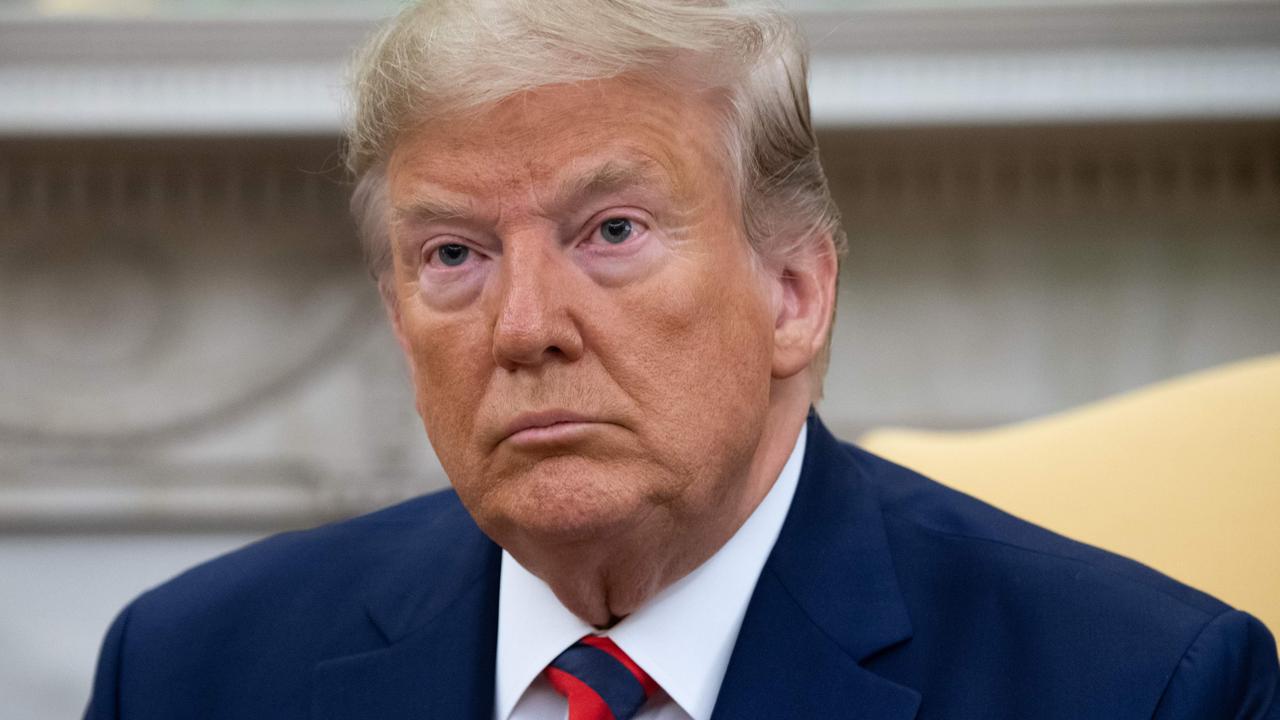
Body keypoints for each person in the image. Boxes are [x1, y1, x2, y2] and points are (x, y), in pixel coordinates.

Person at [84, 1, 1279, 718]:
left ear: (794, 293)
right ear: (399, 319)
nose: (523, 326)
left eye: (610, 233)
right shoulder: (192, 672)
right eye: (453, 253)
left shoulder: (1138, 686)